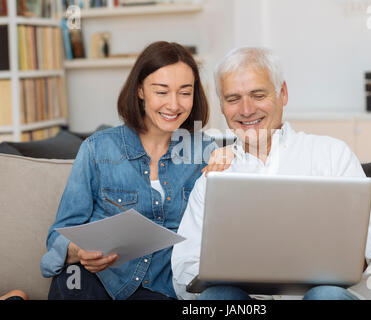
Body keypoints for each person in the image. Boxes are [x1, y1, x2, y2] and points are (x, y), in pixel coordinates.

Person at [171, 47, 371, 300]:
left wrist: (347, 260)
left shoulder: (332, 154)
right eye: (233, 99)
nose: (246, 110)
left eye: (258, 95)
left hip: (320, 296)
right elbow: (183, 270)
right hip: (246, 302)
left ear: (282, 94)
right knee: (217, 298)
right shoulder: (214, 176)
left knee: (325, 296)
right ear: (222, 106)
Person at [40, 41, 230, 300]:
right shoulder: (98, 149)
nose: (174, 105)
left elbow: (222, 231)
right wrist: (79, 252)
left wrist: (230, 168)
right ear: (140, 90)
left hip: (161, 288)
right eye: (161, 92)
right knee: (72, 283)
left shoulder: (205, 152)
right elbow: (59, 234)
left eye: (184, 92)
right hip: (96, 281)